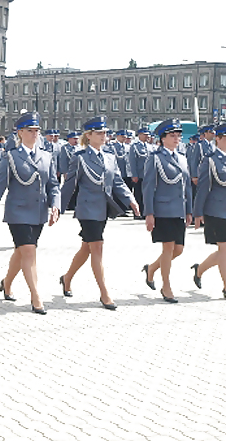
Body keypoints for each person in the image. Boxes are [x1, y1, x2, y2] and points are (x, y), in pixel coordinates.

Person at [58, 116, 140, 310]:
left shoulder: (110, 156)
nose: (104, 136)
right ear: (89, 135)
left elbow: (118, 182)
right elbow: (69, 185)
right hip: (87, 209)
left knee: (87, 247)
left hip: (102, 209)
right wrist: (57, 207)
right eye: (100, 133)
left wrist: (131, 199)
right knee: (97, 247)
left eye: (105, 132)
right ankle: (104, 293)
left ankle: (67, 278)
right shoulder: (80, 157)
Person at [0, 113, 60, 314]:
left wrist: (56, 205)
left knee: (21, 252)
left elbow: (53, 185)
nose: (35, 134)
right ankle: (36, 297)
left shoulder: (46, 155)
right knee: (28, 251)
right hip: (17, 212)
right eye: (30, 130)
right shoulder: (11, 156)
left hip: (38, 212)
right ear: (20, 133)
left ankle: (7, 282)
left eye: (37, 130)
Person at [191, 122, 226, 302]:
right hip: (216, 210)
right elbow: (203, 188)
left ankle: (199, 269)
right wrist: (198, 213)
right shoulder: (209, 160)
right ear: (218, 139)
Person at [140, 119, 192, 303]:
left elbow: (187, 187)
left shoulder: (182, 158)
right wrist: (149, 213)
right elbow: (148, 188)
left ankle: (152, 268)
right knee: (168, 248)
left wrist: (189, 210)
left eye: (178, 135)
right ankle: (166, 286)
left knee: (178, 249)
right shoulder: (155, 158)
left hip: (179, 209)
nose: (177, 138)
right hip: (162, 210)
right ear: (162, 138)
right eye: (172, 135)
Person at [129, 127, 153, 219]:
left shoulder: (150, 146)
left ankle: (145, 212)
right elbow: (132, 161)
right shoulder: (134, 146)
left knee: (147, 194)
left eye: (148, 135)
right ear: (140, 135)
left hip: (148, 174)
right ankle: (137, 213)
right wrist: (134, 174)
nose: (147, 137)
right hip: (139, 174)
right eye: (145, 135)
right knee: (138, 194)